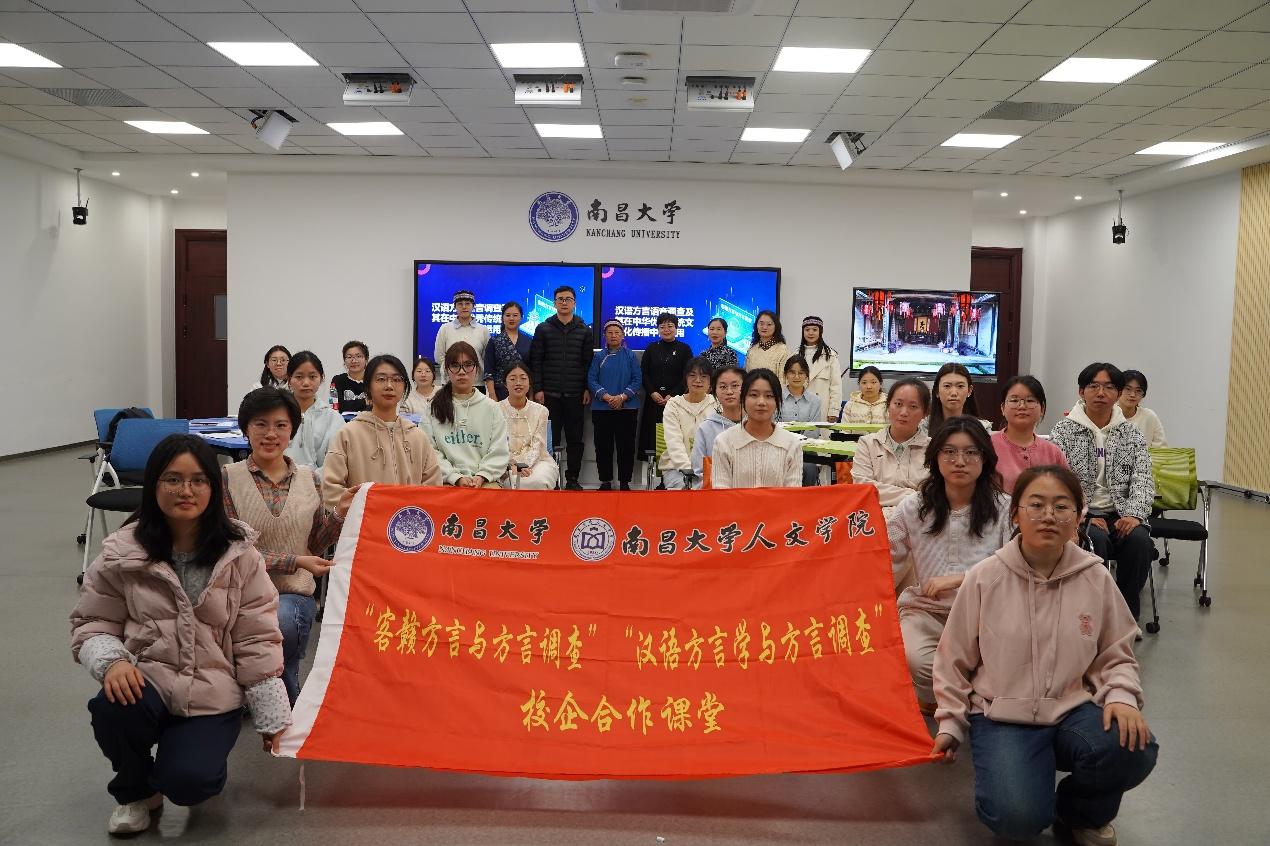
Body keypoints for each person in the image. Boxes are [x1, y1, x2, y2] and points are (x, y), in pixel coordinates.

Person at [71, 434, 288, 835]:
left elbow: (256, 637)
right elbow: (93, 622)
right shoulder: (123, 552)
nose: (185, 490)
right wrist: (112, 662)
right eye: (172, 479)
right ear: (153, 485)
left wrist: (270, 713)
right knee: (112, 708)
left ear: (213, 488)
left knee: (190, 783)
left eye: (198, 480)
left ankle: (187, 760)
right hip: (147, 679)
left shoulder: (240, 554)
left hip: (212, 691)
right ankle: (136, 791)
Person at [932, 466, 1157, 844]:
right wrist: (950, 723)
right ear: (1015, 514)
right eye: (1036, 505)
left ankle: (1079, 813)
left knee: (1134, 746)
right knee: (1017, 819)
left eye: (1061, 506)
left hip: (1072, 708)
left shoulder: (1095, 577)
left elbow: (1116, 653)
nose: (1049, 515)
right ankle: (1025, 779)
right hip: (1002, 713)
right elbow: (952, 659)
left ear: (1078, 516)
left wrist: (1121, 696)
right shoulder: (985, 577)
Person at [223, 388, 353, 705]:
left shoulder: (310, 478)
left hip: (293, 592)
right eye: (261, 424)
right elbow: (232, 549)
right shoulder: (227, 478)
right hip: (240, 591)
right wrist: (295, 561)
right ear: (245, 428)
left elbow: (316, 542)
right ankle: (269, 695)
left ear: (292, 429)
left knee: (282, 620)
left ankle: (282, 694)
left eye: (281, 425)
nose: (271, 434)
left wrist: (339, 514)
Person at [887, 417, 1011, 713]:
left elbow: (1013, 568)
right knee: (916, 660)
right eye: (950, 452)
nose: (960, 461)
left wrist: (961, 579)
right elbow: (885, 557)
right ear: (935, 456)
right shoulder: (914, 507)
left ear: (985, 458)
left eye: (971, 452)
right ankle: (938, 700)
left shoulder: (1005, 508)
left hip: (986, 614)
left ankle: (965, 701)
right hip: (928, 610)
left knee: (1001, 668)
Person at [1049, 363, 1155, 627]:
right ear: (1081, 391)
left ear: (1117, 393)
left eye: (1109, 387)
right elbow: (1057, 481)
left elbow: (1143, 477)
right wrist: (1083, 516)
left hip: (1120, 513)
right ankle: (1093, 616)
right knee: (1095, 541)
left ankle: (1126, 618)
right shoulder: (1063, 430)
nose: (1101, 393)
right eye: (1093, 386)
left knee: (1140, 542)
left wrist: (1134, 515)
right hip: (1082, 515)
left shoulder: (1131, 433)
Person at [322, 353, 443, 508]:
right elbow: (331, 489)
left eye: (397, 379)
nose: (389, 386)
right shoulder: (348, 434)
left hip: (408, 520)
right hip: (363, 520)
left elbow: (433, 487)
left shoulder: (417, 436)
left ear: (404, 386)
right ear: (368, 386)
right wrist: (368, 509)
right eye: (381, 379)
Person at [529, 285, 594, 490]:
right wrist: (538, 388)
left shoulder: (584, 330)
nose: (564, 303)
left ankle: (572, 479)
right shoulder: (543, 328)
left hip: (576, 394)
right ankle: (552, 480)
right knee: (550, 440)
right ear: (554, 303)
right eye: (560, 299)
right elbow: (536, 361)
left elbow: (588, 363)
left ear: (574, 303)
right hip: (549, 394)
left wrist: (586, 388)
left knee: (575, 440)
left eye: (568, 299)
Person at [422, 341, 509, 488]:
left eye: (468, 365)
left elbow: (499, 450)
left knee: (493, 496)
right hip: (446, 481)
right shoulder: (433, 408)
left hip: (485, 482)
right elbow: (428, 451)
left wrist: (482, 475)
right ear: (447, 370)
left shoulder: (492, 408)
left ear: (477, 369)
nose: (462, 372)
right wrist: (455, 477)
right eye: (455, 365)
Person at [852, 378, 933, 517]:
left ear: (925, 413)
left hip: (917, 520)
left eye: (913, 406)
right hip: (873, 519)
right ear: (888, 405)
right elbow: (862, 488)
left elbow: (933, 493)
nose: (904, 412)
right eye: (898, 404)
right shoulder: (868, 443)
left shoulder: (933, 448)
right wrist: (914, 495)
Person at [711, 368, 802, 489]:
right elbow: (721, 493)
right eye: (754, 395)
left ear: (778, 401)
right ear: (743, 399)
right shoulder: (723, 442)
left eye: (769, 396)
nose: (761, 402)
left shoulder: (792, 444)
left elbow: (793, 495)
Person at [991, 374, 1069, 494]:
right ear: (1003, 408)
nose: (1022, 406)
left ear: (1042, 409)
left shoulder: (1053, 453)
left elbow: (1070, 492)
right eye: (1014, 400)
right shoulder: (987, 446)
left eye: (1030, 400)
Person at [588, 319, 641, 491]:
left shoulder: (630, 355)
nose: (613, 335)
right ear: (604, 335)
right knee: (603, 447)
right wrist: (606, 397)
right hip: (602, 408)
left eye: (617, 332)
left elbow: (637, 379)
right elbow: (592, 379)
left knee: (626, 446)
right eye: (609, 333)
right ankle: (605, 481)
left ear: (623, 335)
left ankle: (625, 482)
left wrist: (622, 397)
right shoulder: (599, 356)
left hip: (627, 408)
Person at [638, 311, 694, 464]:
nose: (666, 330)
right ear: (658, 329)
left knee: (673, 438)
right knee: (654, 441)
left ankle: (670, 474)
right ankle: (655, 474)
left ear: (676, 328)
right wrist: (652, 392)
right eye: (662, 327)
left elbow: (688, 375)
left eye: (670, 326)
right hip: (654, 402)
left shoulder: (684, 349)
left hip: (676, 402)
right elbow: (643, 373)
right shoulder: (651, 348)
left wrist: (673, 395)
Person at [499, 363, 558, 490]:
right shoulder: (495, 410)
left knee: (539, 481)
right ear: (505, 384)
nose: (518, 383)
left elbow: (538, 445)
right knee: (513, 482)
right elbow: (496, 446)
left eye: (523, 378)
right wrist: (511, 465)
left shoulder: (541, 411)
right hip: (505, 464)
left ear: (529, 383)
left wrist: (523, 466)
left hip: (538, 461)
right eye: (512, 379)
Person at [284, 351, 346, 471]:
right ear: (289, 379)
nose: (306, 383)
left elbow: (336, 461)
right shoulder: (277, 415)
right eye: (299, 377)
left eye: (312, 377)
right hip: (281, 479)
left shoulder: (333, 418)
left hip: (321, 480)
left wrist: (312, 477)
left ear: (321, 378)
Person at [660, 356, 715, 490]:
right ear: (685, 379)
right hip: (676, 469)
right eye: (692, 375)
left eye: (703, 376)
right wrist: (688, 471)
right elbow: (674, 443)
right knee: (686, 490)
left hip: (710, 468)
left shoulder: (717, 405)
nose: (698, 380)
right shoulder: (673, 405)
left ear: (710, 381)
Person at [691, 366, 745, 489]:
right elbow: (699, 473)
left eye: (735, 386)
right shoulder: (705, 429)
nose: (729, 392)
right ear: (715, 392)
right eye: (723, 387)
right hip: (716, 493)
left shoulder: (756, 425)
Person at [777, 355, 822, 487]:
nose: (796, 377)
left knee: (809, 468)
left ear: (806, 376)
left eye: (801, 373)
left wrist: (797, 445)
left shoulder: (815, 401)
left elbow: (813, 431)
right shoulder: (776, 397)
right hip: (780, 450)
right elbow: (773, 426)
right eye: (792, 372)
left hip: (806, 451)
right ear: (786, 374)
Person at [434, 290, 489, 384]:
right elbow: (439, 357)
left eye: (467, 303)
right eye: (460, 304)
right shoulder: (445, 328)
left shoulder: (483, 330)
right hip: (450, 383)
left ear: (473, 306)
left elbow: (486, 358)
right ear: (455, 307)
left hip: (476, 383)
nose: (464, 307)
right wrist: (453, 370)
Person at [484, 301, 533, 400]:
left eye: (515, 315)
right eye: (508, 315)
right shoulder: (494, 341)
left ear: (521, 317)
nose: (511, 318)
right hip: (500, 391)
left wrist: (531, 396)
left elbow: (531, 370)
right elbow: (489, 371)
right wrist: (492, 395)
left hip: (523, 390)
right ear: (502, 318)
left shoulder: (529, 341)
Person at [797, 316, 843, 423]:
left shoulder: (830, 356)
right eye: (807, 330)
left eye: (814, 330)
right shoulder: (795, 355)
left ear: (820, 332)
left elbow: (836, 386)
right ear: (803, 332)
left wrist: (834, 410)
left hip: (823, 409)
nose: (810, 333)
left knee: (820, 433)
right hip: (799, 407)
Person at [927, 362, 990, 432]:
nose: (954, 393)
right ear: (937, 391)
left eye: (960, 386)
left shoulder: (982, 428)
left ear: (969, 391)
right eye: (947, 386)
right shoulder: (923, 427)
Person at [1118, 369, 1168, 448]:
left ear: (1143, 394)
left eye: (1138, 391)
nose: (1133, 394)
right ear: (1118, 390)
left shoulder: (1149, 416)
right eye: (1128, 389)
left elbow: (1161, 450)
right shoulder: (1107, 414)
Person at [744, 310, 789, 382]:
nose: (764, 327)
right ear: (756, 326)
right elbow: (746, 376)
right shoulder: (752, 349)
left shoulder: (782, 350)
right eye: (761, 324)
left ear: (776, 327)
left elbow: (783, 380)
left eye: (769, 324)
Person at [331, 340, 369, 413]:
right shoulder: (337, 380)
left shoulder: (373, 380)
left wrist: (349, 404)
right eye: (349, 357)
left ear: (366, 359)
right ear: (344, 361)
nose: (354, 361)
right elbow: (336, 406)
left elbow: (376, 405)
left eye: (358, 356)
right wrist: (364, 402)